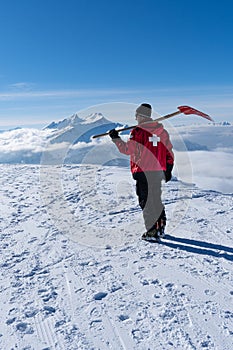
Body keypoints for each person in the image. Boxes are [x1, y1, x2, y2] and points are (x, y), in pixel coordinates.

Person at [109, 103, 174, 241]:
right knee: (155, 199)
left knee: (146, 201)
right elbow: (169, 152)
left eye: (136, 115)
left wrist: (116, 138)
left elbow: (127, 150)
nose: (135, 117)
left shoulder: (138, 132)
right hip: (158, 171)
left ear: (141, 116)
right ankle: (160, 227)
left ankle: (152, 231)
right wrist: (169, 168)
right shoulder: (162, 132)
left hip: (143, 171)